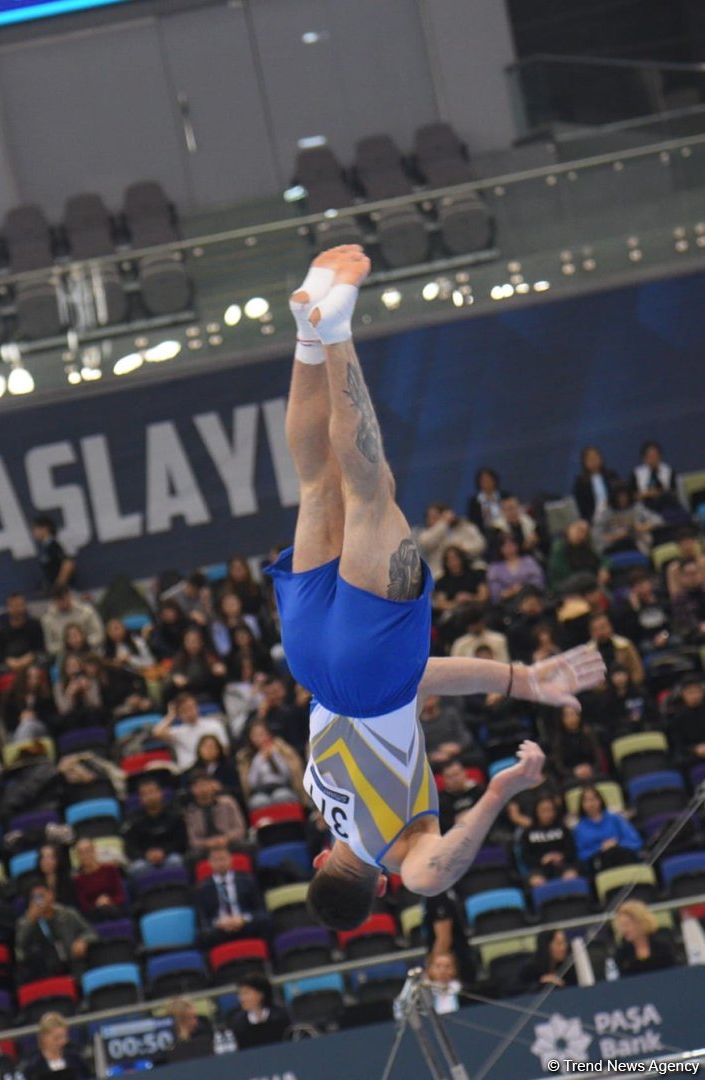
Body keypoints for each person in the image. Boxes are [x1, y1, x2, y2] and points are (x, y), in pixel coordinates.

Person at [264, 245, 605, 929]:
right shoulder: (316, 791)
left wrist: (501, 790)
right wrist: (517, 678)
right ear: (315, 863)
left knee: (370, 491)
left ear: (379, 889)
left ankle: (333, 330)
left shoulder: (395, 850)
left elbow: (436, 870)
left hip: (372, 671)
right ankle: (306, 335)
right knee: (317, 485)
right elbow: (423, 682)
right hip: (310, 662)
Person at [15, 884, 97, 981]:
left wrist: (83, 940)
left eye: (41, 896)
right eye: (34, 898)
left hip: (73, 963)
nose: (38, 901)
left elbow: (91, 933)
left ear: (51, 895)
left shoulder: (68, 914)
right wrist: (30, 922)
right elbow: (19, 949)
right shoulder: (24, 922)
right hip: (44, 970)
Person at [196, 842, 270, 947]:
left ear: (231, 860)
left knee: (265, 922)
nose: (220, 863)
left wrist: (243, 919)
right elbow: (202, 920)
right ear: (209, 863)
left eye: (223, 859)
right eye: (216, 860)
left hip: (245, 923)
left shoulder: (247, 880)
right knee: (202, 935)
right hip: (219, 929)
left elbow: (261, 910)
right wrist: (219, 922)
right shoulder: (203, 888)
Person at [122, 776, 188, 874]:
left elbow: (181, 842)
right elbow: (130, 847)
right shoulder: (134, 819)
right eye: (145, 794)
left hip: (170, 855)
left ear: (160, 793)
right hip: (145, 859)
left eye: (152, 792)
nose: (150, 797)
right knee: (137, 868)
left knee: (176, 861)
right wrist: (146, 855)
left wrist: (164, 852)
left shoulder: (174, 814)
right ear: (140, 798)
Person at [236, 718, 306, 808]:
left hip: (281, 786)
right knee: (259, 802)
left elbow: (287, 775)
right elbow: (252, 784)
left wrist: (275, 757)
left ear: (268, 734)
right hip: (260, 791)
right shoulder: (248, 757)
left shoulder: (281, 750)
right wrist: (259, 760)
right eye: (255, 735)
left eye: (262, 734)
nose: (259, 738)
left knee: (282, 796)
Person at [153, 691, 230, 770]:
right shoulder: (178, 732)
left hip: (211, 768)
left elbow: (225, 749)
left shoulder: (214, 725)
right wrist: (171, 715)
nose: (189, 713)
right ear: (178, 714)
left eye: (191, 708)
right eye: (184, 710)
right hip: (188, 771)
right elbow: (157, 733)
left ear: (197, 707)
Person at [574, 785, 643, 872]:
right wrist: (600, 848)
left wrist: (616, 843)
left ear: (600, 800)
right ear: (582, 804)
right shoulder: (580, 828)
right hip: (599, 862)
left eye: (594, 799)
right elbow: (581, 855)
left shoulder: (615, 819)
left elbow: (635, 841)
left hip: (622, 855)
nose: (591, 804)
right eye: (586, 801)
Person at [184, 768, 247, 856]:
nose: (202, 789)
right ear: (192, 790)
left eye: (204, 785)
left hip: (229, 841)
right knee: (190, 856)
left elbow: (240, 829)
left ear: (212, 785)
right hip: (205, 847)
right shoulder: (190, 811)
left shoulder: (228, 802)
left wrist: (226, 839)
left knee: (248, 847)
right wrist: (206, 843)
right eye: (197, 786)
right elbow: (192, 839)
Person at [519, 796, 578, 887]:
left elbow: (571, 850)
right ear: (536, 812)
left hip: (562, 864)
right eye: (543, 810)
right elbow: (526, 856)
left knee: (571, 876)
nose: (547, 814)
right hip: (538, 868)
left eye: (550, 810)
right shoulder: (528, 833)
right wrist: (542, 859)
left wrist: (561, 856)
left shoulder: (563, 829)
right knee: (537, 882)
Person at [416, 503, 486, 579]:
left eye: (436, 516)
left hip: (466, 570)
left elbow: (481, 544)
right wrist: (443, 523)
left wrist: (463, 548)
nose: (432, 519)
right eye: (431, 517)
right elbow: (425, 543)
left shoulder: (464, 526)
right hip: (439, 573)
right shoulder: (426, 534)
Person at [593, 482, 663, 556]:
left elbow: (657, 519)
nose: (623, 499)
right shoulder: (607, 513)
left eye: (625, 496)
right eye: (619, 497)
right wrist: (615, 536)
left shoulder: (636, 508)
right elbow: (596, 535)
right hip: (613, 546)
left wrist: (643, 527)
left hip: (636, 543)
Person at [612, 569, 671, 654]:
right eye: (638, 585)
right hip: (645, 640)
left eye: (644, 583)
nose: (642, 587)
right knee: (646, 647)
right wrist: (636, 609)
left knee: (676, 640)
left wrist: (664, 635)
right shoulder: (627, 608)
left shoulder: (661, 599)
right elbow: (632, 634)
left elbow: (670, 624)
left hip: (664, 636)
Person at [614, 900, 677, 977]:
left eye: (627, 925)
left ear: (640, 923)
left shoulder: (662, 948)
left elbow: (673, 973)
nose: (624, 930)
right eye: (622, 926)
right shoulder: (622, 954)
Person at [22, 1012, 90, 1080]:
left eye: (64, 1037)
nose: (62, 1042)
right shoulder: (33, 1067)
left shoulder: (76, 1060)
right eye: (57, 1038)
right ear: (44, 1038)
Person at [41, 586, 104, 659]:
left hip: (89, 651)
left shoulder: (86, 611)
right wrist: (67, 645)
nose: (61, 603)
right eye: (58, 600)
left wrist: (83, 642)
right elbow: (50, 646)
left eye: (63, 599)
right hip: (64, 656)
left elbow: (99, 634)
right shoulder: (47, 620)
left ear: (69, 596)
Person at [230, 974, 290, 1049]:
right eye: (240, 994)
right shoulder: (238, 1023)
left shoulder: (280, 1015)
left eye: (246, 993)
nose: (241, 999)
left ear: (261, 994)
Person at [548, 520, 609, 593]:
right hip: (567, 586)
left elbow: (603, 559)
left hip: (590, 583)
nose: (581, 534)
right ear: (568, 529)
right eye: (578, 530)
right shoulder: (559, 548)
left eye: (584, 532)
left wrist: (603, 569)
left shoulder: (585, 546)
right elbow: (563, 575)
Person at [73, 838, 126, 920]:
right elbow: (84, 906)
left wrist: (108, 901)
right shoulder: (79, 880)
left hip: (114, 908)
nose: (85, 855)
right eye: (81, 853)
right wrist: (97, 904)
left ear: (94, 851)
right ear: (78, 857)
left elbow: (120, 896)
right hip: (94, 914)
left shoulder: (110, 869)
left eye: (88, 851)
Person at [587, 612, 645, 687]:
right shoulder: (588, 653)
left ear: (610, 626)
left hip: (630, 687)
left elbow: (638, 671)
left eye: (603, 627)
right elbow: (589, 680)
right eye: (596, 630)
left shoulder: (626, 645)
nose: (601, 632)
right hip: (603, 694)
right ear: (591, 632)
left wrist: (627, 686)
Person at [487, 534, 545, 607]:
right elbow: (495, 592)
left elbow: (538, 581)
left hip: (531, 597)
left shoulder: (528, 561)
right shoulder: (495, 568)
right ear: (500, 549)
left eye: (511, 545)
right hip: (508, 603)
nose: (509, 548)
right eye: (505, 546)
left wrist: (522, 588)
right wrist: (511, 592)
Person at [0, 593, 45, 673]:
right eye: (13, 606)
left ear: (25, 606)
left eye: (19, 605)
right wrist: (9, 661)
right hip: (10, 664)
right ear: (8, 608)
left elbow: (40, 647)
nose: (17, 609)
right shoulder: (2, 630)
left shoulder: (35, 625)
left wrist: (27, 659)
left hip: (32, 660)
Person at [2, 664, 56, 741]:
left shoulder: (45, 696)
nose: (34, 681)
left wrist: (35, 716)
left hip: (40, 727)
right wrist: (20, 718)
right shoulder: (11, 697)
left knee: (28, 726)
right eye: (30, 677)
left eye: (37, 677)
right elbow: (7, 722)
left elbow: (52, 719)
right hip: (17, 729)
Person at [550, 706, 604, 783]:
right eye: (567, 716)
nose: (571, 718)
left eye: (573, 714)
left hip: (592, 771)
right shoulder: (558, 740)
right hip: (571, 776)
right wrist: (573, 772)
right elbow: (559, 765)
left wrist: (591, 768)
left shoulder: (588, 733)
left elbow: (599, 756)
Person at [419, 696, 474, 768]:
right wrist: (431, 756)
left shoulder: (450, 713)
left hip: (456, 753)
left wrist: (458, 747)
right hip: (432, 759)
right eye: (426, 697)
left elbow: (465, 736)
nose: (429, 697)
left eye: (431, 695)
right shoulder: (416, 724)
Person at [631, 441, 681, 516]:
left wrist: (660, 493)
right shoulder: (636, 473)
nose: (653, 459)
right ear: (644, 458)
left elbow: (674, 491)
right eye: (650, 457)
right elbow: (633, 495)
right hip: (645, 504)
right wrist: (647, 494)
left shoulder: (668, 471)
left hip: (666, 503)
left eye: (655, 456)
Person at [573, 446, 618, 523]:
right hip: (593, 519)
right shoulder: (581, 482)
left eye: (596, 457)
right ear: (584, 462)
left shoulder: (611, 476)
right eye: (590, 458)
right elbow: (580, 507)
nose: (593, 460)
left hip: (615, 515)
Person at [31, 516, 76, 593]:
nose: (34, 533)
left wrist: (59, 585)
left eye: (36, 529)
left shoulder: (53, 545)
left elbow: (68, 563)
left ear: (45, 528)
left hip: (63, 593)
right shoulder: (45, 547)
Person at [668, 674, 705, 766]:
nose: (695, 696)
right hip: (692, 755)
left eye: (697, 691)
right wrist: (694, 749)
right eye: (690, 692)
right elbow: (677, 744)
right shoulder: (677, 717)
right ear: (682, 694)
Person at [437, 759, 482, 834]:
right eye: (449, 777)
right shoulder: (441, 802)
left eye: (456, 774)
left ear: (465, 773)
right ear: (444, 779)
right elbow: (445, 828)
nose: (455, 780)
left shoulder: (479, 791)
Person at [165, 998, 212, 1062]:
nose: (195, 1022)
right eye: (191, 1018)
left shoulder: (201, 1039)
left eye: (195, 1017)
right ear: (180, 1021)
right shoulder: (168, 1048)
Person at [671, 559, 705, 644]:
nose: (693, 577)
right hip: (694, 635)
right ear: (682, 577)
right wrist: (698, 626)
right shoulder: (679, 598)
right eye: (688, 574)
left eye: (695, 573)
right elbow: (684, 621)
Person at [37, 843, 76, 908]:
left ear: (57, 860)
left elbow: (71, 905)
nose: (46, 861)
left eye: (50, 857)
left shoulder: (67, 882)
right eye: (43, 857)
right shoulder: (34, 883)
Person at [467, 468, 506, 533]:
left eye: (489, 480)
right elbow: (472, 521)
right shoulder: (474, 501)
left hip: (505, 529)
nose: (486, 483)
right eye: (483, 481)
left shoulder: (504, 496)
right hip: (484, 532)